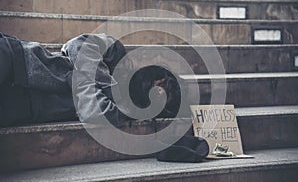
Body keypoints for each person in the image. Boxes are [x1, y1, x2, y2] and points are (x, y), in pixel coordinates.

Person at [0, 33, 181, 127]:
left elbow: (93, 113)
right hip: (18, 59)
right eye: (162, 82)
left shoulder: (123, 112)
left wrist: (81, 76)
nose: (158, 89)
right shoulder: (116, 54)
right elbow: (78, 45)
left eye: (163, 97)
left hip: (21, 108)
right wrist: (107, 88)